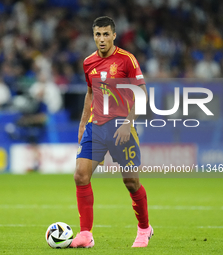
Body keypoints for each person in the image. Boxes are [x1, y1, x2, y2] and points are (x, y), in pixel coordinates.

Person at [70, 16, 152, 248]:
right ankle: (86, 234)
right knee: (80, 175)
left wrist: (128, 123)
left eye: (106, 34)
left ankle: (144, 229)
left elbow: (142, 94)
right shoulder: (88, 63)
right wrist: (83, 123)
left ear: (114, 35)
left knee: (131, 182)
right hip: (96, 127)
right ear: (93, 35)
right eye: (98, 34)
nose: (102, 39)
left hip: (121, 127)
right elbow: (90, 93)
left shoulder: (127, 60)